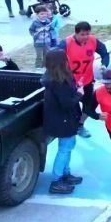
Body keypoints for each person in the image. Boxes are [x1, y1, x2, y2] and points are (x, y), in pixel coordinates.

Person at [42, 49, 83, 194]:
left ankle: (65, 174)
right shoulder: (58, 82)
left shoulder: (54, 79)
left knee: (68, 146)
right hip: (63, 120)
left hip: (64, 119)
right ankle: (57, 180)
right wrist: (79, 94)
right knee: (65, 149)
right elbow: (67, 103)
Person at [60, 21, 111, 138]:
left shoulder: (92, 40)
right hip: (70, 82)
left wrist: (104, 64)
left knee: (88, 106)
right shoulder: (66, 43)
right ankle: (70, 126)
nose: (85, 37)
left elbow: (104, 53)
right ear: (76, 33)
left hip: (87, 80)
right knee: (72, 106)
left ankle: (80, 125)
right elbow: (54, 57)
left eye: (87, 34)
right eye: (82, 34)